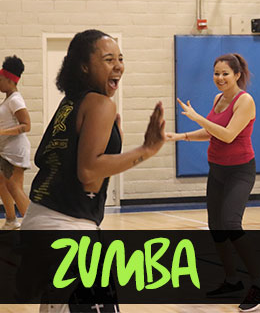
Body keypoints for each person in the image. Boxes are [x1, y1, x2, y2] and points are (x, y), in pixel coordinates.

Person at [20, 29, 166, 312]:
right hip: (67, 227)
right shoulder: (100, 104)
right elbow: (88, 172)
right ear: (84, 66)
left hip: (41, 222)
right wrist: (146, 150)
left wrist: (114, 146)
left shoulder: (70, 104)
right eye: (108, 59)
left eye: (120, 59)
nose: (118, 66)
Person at [166, 53, 260, 312]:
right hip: (217, 170)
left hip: (240, 171)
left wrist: (198, 117)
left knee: (231, 223)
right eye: (216, 73)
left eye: (225, 73)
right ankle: (232, 280)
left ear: (237, 75)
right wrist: (181, 136)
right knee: (216, 227)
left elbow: (228, 134)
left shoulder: (245, 101)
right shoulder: (217, 99)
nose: (220, 78)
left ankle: (259, 283)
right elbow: (211, 132)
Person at [0, 55, 31, 230]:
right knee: (2, 184)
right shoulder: (8, 99)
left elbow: (26, 125)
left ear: (10, 80)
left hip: (15, 150)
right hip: (6, 149)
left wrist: (1, 132)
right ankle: (11, 220)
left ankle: (35, 227)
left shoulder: (15, 99)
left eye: (0, 79)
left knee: (14, 187)